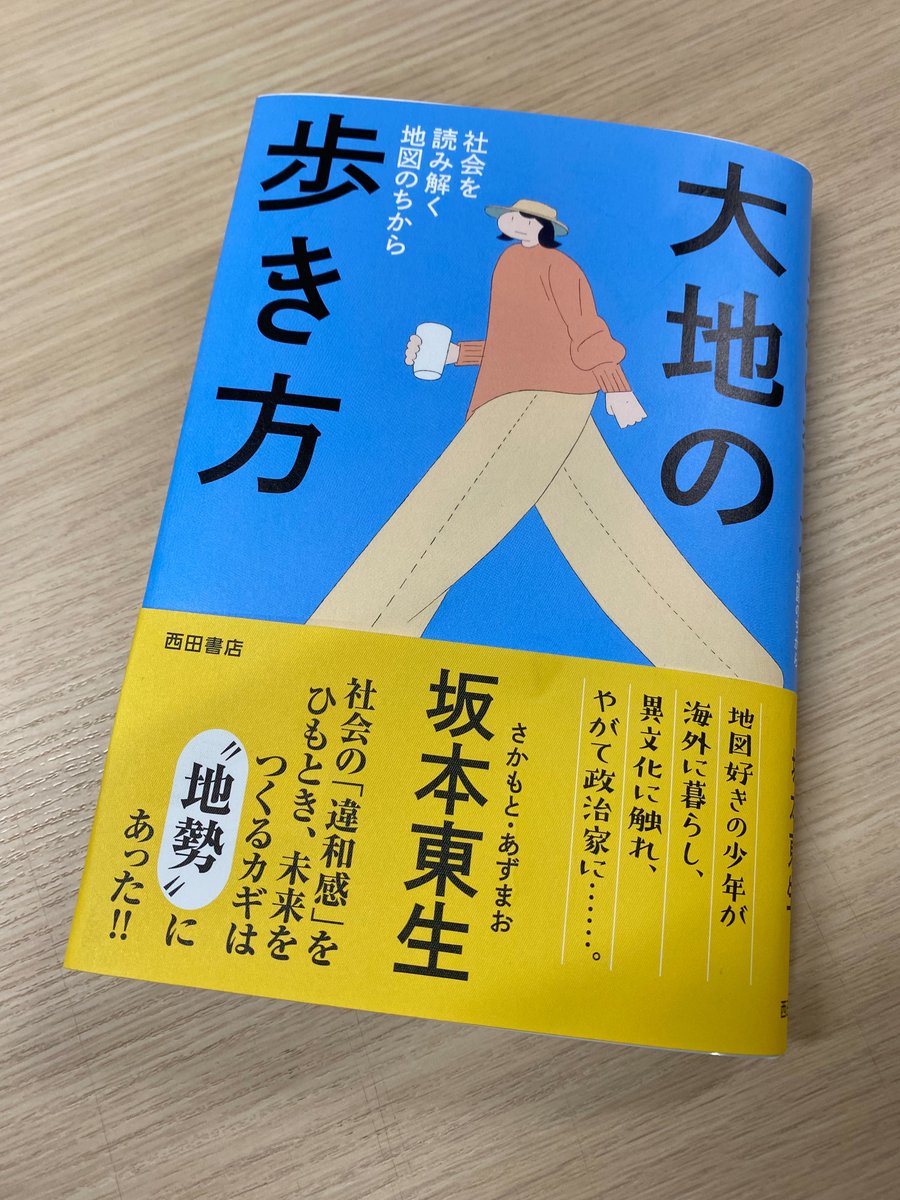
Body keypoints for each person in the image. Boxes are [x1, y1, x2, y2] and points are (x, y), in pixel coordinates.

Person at [307, 199, 782, 687]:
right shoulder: (508, 264)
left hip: (539, 401)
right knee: (617, 545)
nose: (509, 222)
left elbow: (586, 333)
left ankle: (319, 665)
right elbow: (517, 343)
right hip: (521, 394)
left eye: (519, 217)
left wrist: (617, 388)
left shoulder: (560, 268)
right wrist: (452, 353)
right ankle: (741, 678)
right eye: (508, 216)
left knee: (438, 522)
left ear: (541, 226)